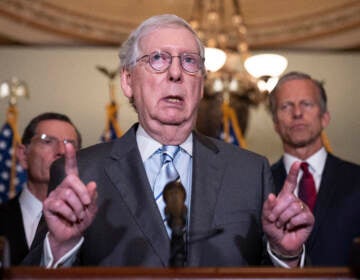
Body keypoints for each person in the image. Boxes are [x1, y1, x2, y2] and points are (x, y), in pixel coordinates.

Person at [25, 14, 314, 268]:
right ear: (127, 81)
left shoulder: (250, 173)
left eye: (189, 61)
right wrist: (61, 248)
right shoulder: (82, 173)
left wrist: (285, 254)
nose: (176, 73)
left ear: (200, 84)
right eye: (158, 59)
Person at [269, 71, 360, 266]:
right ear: (275, 123)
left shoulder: (356, 179)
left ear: (325, 117)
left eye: (306, 104)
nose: (297, 113)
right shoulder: (258, 183)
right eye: (286, 106)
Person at [0, 112, 81, 265]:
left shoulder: (93, 225)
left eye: (69, 144)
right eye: (48, 141)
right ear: (23, 155)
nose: (61, 151)